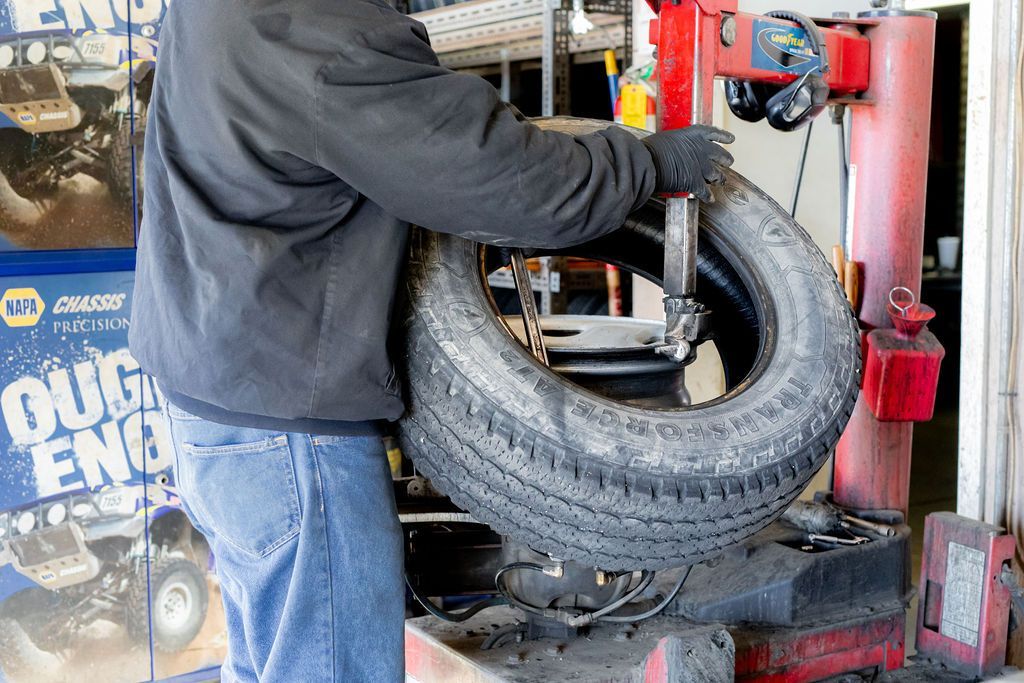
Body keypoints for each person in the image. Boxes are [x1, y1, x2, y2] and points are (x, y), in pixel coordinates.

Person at [129, 0, 734, 681]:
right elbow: (496, 176)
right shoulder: (323, 32)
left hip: (210, 399)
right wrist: (642, 163)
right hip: (292, 431)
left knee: (273, 657)